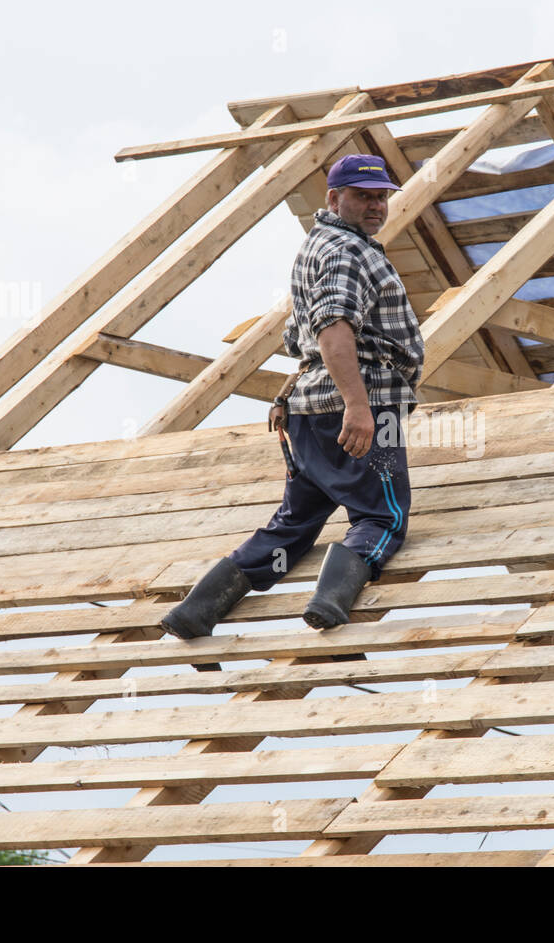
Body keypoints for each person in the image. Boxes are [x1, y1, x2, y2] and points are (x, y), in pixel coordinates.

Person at [159, 153, 424, 656]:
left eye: (381, 196)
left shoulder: (319, 246)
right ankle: (328, 604)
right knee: (382, 515)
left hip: (305, 411)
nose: (375, 206)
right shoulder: (346, 250)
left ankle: (196, 609)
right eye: (363, 196)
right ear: (333, 199)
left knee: (295, 522)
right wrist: (358, 406)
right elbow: (332, 328)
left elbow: (295, 336)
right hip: (362, 406)